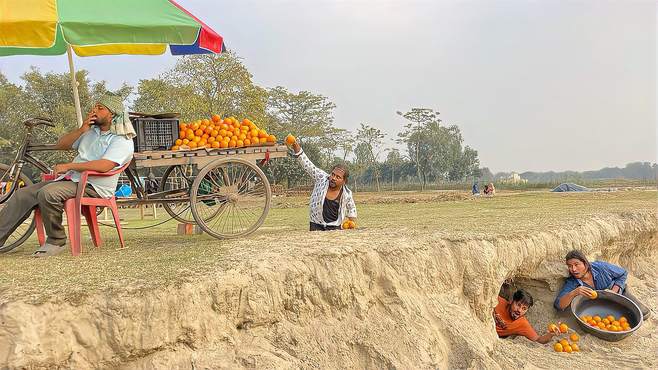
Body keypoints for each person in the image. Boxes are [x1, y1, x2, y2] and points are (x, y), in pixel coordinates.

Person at [0, 93, 135, 257]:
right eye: (95, 106)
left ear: (112, 114)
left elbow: (105, 165)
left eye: (100, 108)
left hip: (94, 186)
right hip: (71, 181)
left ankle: (56, 240)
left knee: (49, 193)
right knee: (22, 194)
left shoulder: (122, 139)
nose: (94, 110)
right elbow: (61, 145)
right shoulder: (90, 132)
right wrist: (82, 129)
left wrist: (69, 166)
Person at [287, 138, 357, 231]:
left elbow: (351, 210)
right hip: (316, 225)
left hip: (335, 228)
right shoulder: (321, 178)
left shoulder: (347, 194)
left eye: (338, 177)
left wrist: (351, 225)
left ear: (344, 181)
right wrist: (295, 144)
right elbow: (307, 164)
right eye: (333, 174)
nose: (333, 178)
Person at [554, 250, 650, 317]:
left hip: (617, 296)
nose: (573, 269)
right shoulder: (572, 282)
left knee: (644, 314)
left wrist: (613, 292)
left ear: (585, 263)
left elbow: (622, 273)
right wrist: (574, 292)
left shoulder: (601, 267)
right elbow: (559, 305)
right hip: (596, 307)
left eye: (576, 264)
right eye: (570, 266)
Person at [494, 284, 559, 343]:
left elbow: (538, 339)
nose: (519, 310)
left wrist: (550, 334)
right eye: (518, 305)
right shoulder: (497, 301)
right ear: (511, 301)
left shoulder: (522, 323)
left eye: (524, 308)